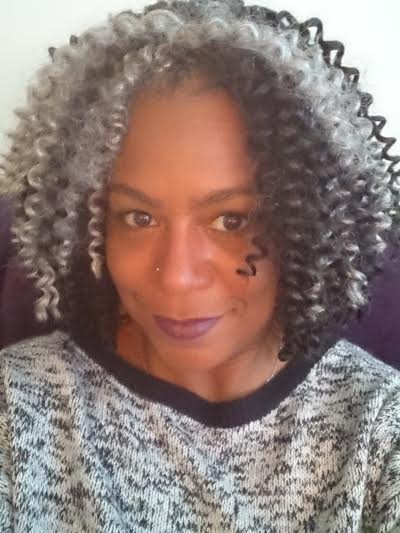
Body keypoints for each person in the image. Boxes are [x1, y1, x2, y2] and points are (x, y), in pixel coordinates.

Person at [0, 0, 399, 530]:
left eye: (232, 220)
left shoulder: (379, 428)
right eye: (138, 217)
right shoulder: (19, 408)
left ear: (311, 227)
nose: (177, 275)